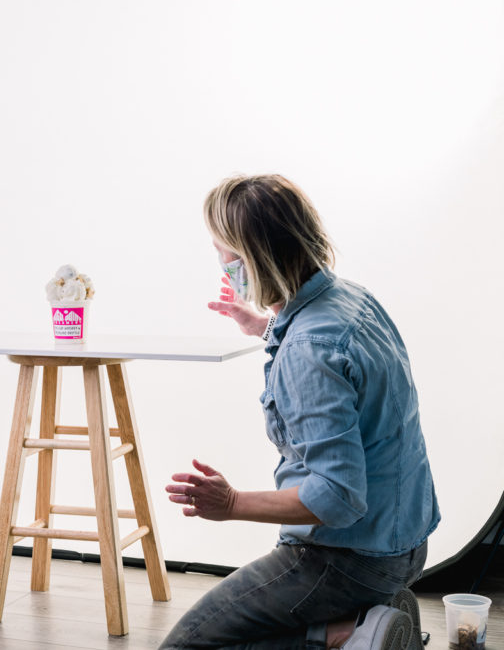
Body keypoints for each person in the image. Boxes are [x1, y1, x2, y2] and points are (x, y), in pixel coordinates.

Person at [160, 175, 439, 650]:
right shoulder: (350, 298)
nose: (222, 264)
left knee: (187, 646)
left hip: (351, 560)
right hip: (406, 545)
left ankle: (350, 635)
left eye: (223, 252)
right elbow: (328, 357)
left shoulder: (309, 347)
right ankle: (363, 623)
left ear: (254, 258)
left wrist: (230, 505)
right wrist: (266, 327)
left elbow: (336, 497)